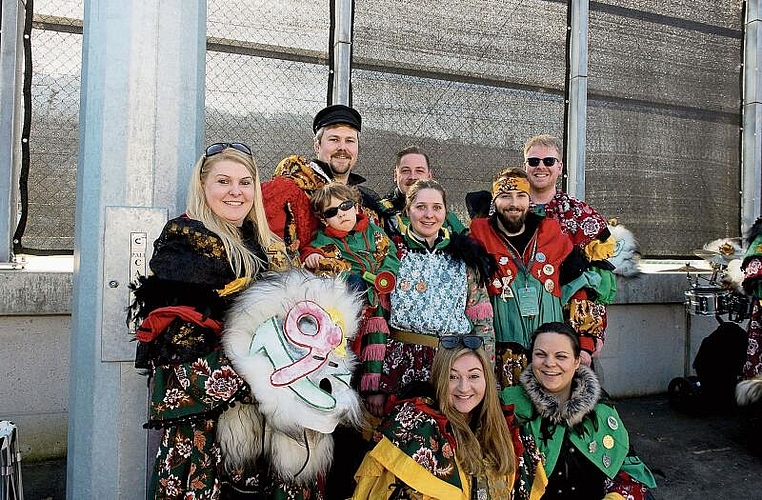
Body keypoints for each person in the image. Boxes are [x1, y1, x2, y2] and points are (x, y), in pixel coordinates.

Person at [128, 143, 280, 499]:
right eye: (223, 181)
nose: (235, 192)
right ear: (202, 185)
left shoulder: (256, 240)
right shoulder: (185, 240)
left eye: (245, 183)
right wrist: (262, 369)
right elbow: (175, 343)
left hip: (253, 406)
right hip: (204, 416)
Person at [353, 340, 547, 499]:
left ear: (487, 379)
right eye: (453, 377)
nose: (464, 387)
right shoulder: (414, 429)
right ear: (439, 380)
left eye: (473, 376)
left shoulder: (509, 432)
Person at [373, 179, 496, 417]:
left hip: (452, 364)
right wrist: (375, 384)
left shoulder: (464, 257)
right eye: (421, 207)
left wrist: (484, 374)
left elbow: (483, 323)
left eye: (437, 207)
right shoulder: (391, 254)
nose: (429, 215)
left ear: (445, 212)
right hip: (401, 364)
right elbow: (378, 319)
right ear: (408, 211)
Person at [501, 322, 656, 499]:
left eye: (561, 356)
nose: (550, 363)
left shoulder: (600, 410)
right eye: (540, 354)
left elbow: (628, 469)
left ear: (576, 362)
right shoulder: (509, 406)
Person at [469, 168, 573, 388]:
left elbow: (583, 286)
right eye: (506, 196)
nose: (513, 203)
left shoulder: (552, 234)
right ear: (494, 201)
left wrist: (585, 342)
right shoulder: (478, 240)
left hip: (550, 357)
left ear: (529, 200)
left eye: (521, 196)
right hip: (502, 358)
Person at [523, 134, 618, 365]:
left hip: (568, 327)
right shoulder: (507, 211)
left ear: (560, 167)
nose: (541, 167)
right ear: (524, 165)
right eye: (534, 161)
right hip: (518, 321)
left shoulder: (580, 214)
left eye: (549, 161)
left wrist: (592, 335)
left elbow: (597, 279)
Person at [301, 182, 400, 395]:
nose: (341, 214)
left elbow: (390, 253)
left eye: (346, 206)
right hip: (352, 303)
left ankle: (375, 387)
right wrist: (311, 256)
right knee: (350, 347)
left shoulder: (373, 231)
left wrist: (388, 273)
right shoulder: (324, 239)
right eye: (332, 211)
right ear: (323, 218)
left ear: (356, 207)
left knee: (380, 343)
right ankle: (347, 384)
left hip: (381, 296)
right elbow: (311, 251)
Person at [261, 104, 382, 253]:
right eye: (334, 139)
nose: (342, 148)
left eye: (350, 140)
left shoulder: (368, 203)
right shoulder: (293, 190)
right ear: (317, 146)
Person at [379, 145, 466, 237]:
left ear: (429, 176)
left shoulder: (447, 218)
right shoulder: (380, 212)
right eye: (405, 171)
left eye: (419, 171)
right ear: (395, 176)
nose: (412, 177)